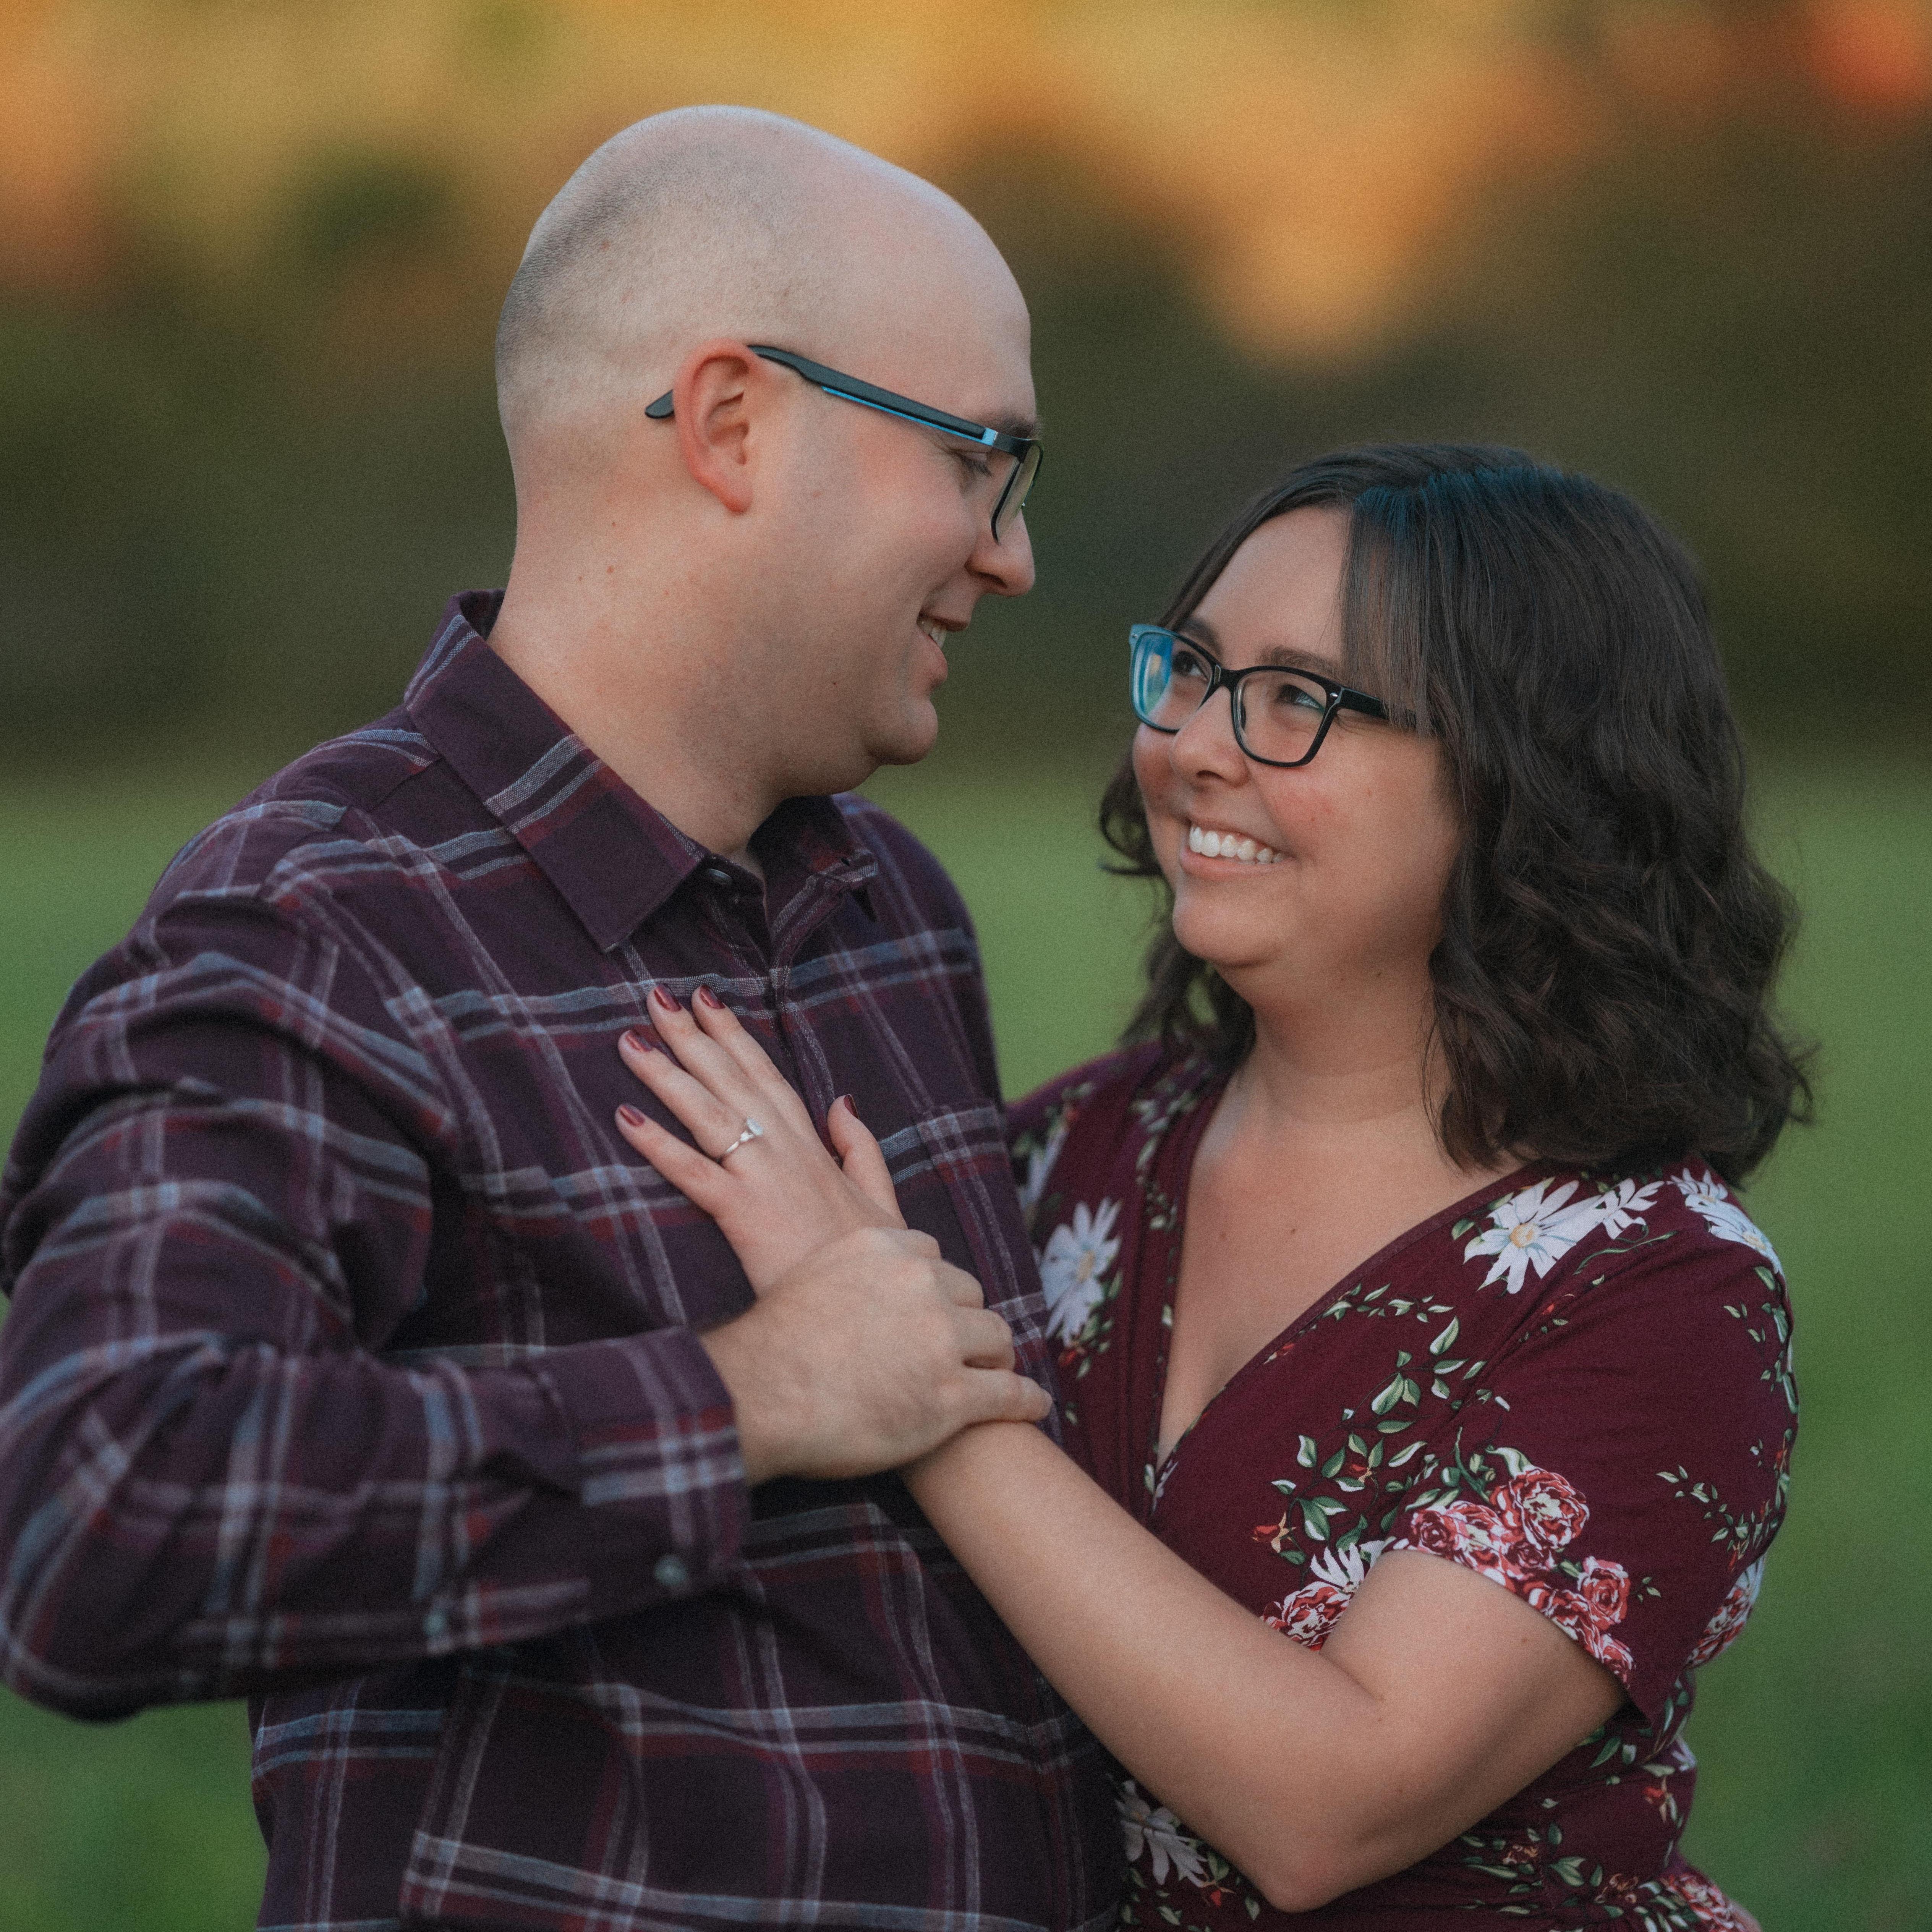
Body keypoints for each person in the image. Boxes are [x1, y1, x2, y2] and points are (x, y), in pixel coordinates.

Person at [0, 109, 1121, 1931]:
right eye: (980, 461)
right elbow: (103, 1515)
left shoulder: (888, 913)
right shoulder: (318, 927)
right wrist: (746, 1395)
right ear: (737, 423)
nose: (1007, 555)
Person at [606, 445, 1809, 1929]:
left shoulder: (1657, 1288)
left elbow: (1332, 1800)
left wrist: (902, 1365)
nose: (1189, 745)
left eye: (1297, 698)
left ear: (1528, 775)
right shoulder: (1071, 1152)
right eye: (1186, 669)